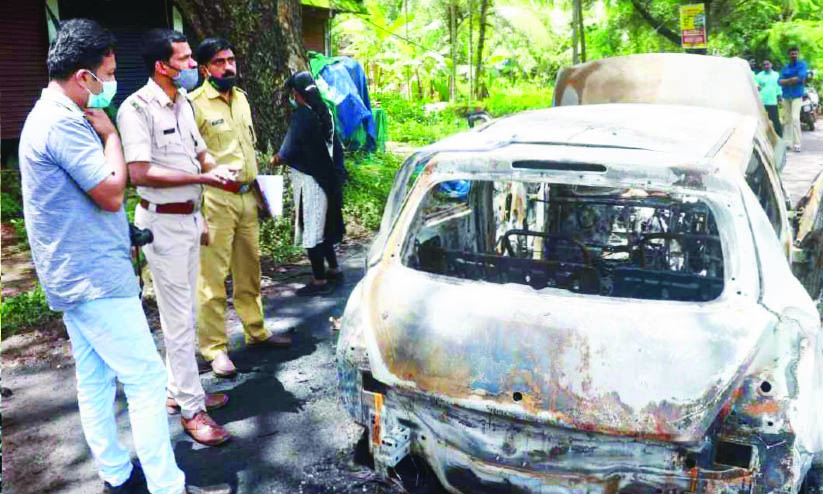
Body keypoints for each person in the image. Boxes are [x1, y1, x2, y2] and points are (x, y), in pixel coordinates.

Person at [18, 18, 228, 494]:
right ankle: (166, 485)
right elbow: (113, 192)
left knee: (94, 377)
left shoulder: (55, 115)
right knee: (147, 378)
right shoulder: (62, 123)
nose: (112, 82)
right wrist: (111, 135)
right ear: (83, 76)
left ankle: (116, 473)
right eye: (108, 74)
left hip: (78, 271)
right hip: (92, 276)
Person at [117, 28, 234, 447]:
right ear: (161, 66)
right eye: (183, 59)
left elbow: (200, 151)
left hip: (189, 217)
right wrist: (202, 178)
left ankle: (180, 390)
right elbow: (139, 172)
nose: (191, 65)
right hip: (161, 224)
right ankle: (191, 410)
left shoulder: (183, 102)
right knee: (179, 319)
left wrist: (215, 169)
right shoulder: (135, 108)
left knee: (187, 311)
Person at [189, 37, 292, 378]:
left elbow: (248, 148)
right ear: (205, 69)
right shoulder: (193, 105)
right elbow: (188, 158)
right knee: (212, 278)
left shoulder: (242, 99)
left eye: (231, 60)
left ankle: (256, 330)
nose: (228, 67)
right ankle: (215, 349)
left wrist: (260, 194)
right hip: (215, 198)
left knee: (250, 269)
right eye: (219, 62)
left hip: (248, 195)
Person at [271, 71, 345, 296]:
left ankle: (319, 280)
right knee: (325, 223)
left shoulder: (302, 116)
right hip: (329, 178)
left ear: (296, 93)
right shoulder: (325, 111)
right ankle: (333, 268)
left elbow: (287, 151)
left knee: (311, 227)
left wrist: (274, 159)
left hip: (310, 180)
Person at [779, 46, 807, 152]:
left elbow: (801, 78)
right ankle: (787, 142)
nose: (794, 55)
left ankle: (797, 143)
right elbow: (779, 81)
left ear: (798, 54)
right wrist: (792, 80)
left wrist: (787, 80)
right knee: (787, 119)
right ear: (789, 55)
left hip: (797, 95)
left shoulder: (802, 65)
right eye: (792, 54)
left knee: (795, 118)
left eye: (795, 53)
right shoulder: (785, 67)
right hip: (786, 95)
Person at [756, 59, 783, 137]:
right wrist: (757, 86)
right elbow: (755, 85)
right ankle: (766, 138)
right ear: (762, 67)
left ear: (771, 65)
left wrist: (779, 96)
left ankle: (779, 137)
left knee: (775, 120)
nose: (766, 66)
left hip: (772, 101)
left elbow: (778, 87)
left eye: (767, 64)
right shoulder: (759, 76)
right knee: (763, 121)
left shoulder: (776, 75)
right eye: (764, 65)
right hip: (762, 102)